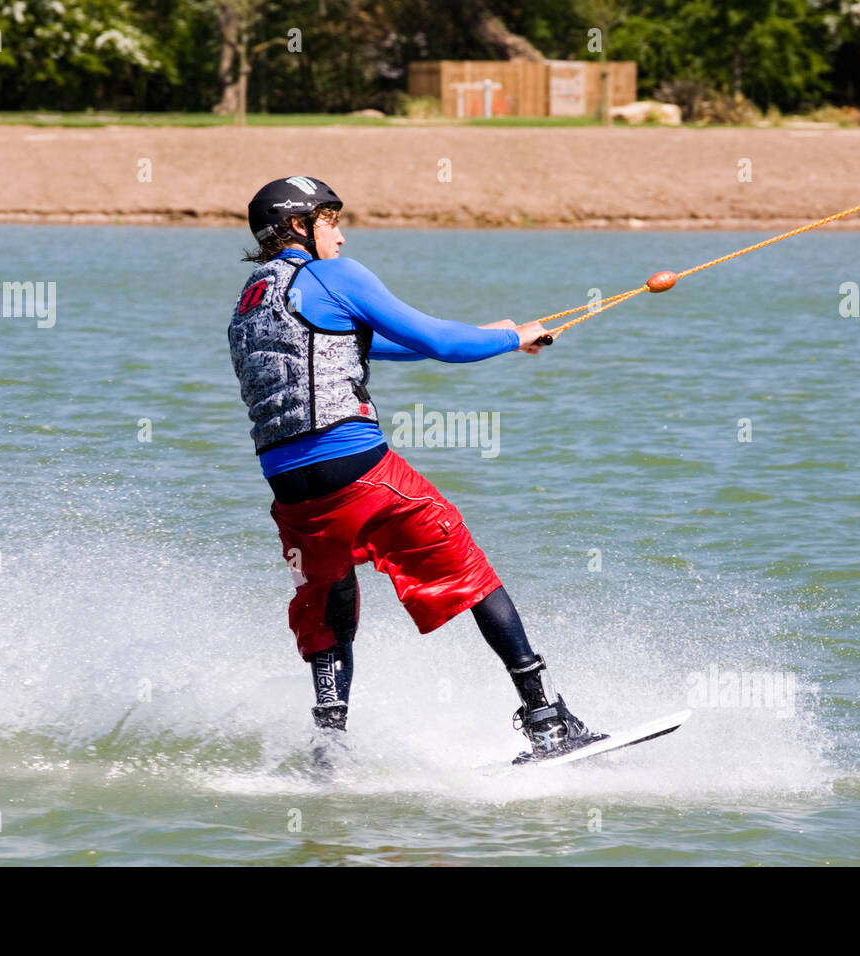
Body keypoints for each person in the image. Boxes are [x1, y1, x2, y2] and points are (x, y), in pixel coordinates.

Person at [227, 175, 601, 761]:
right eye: (331, 222)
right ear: (300, 227)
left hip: (291, 490)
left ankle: (327, 747)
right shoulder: (333, 275)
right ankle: (546, 718)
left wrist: (497, 336)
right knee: (468, 567)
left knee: (331, 604)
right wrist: (509, 340)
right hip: (356, 470)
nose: (343, 237)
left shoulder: (254, 298)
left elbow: (375, 341)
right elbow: (437, 341)